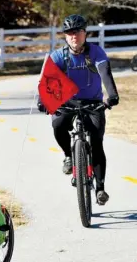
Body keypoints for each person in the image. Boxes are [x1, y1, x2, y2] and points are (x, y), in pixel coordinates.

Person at [37, 14, 120, 206]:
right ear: (65, 36)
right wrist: (43, 100)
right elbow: (47, 81)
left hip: (92, 102)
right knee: (58, 125)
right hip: (68, 102)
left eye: (78, 32)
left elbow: (105, 73)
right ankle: (68, 154)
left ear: (85, 34)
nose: (74, 36)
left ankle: (100, 188)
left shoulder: (96, 53)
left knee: (97, 142)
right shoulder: (58, 56)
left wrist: (112, 95)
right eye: (70, 33)